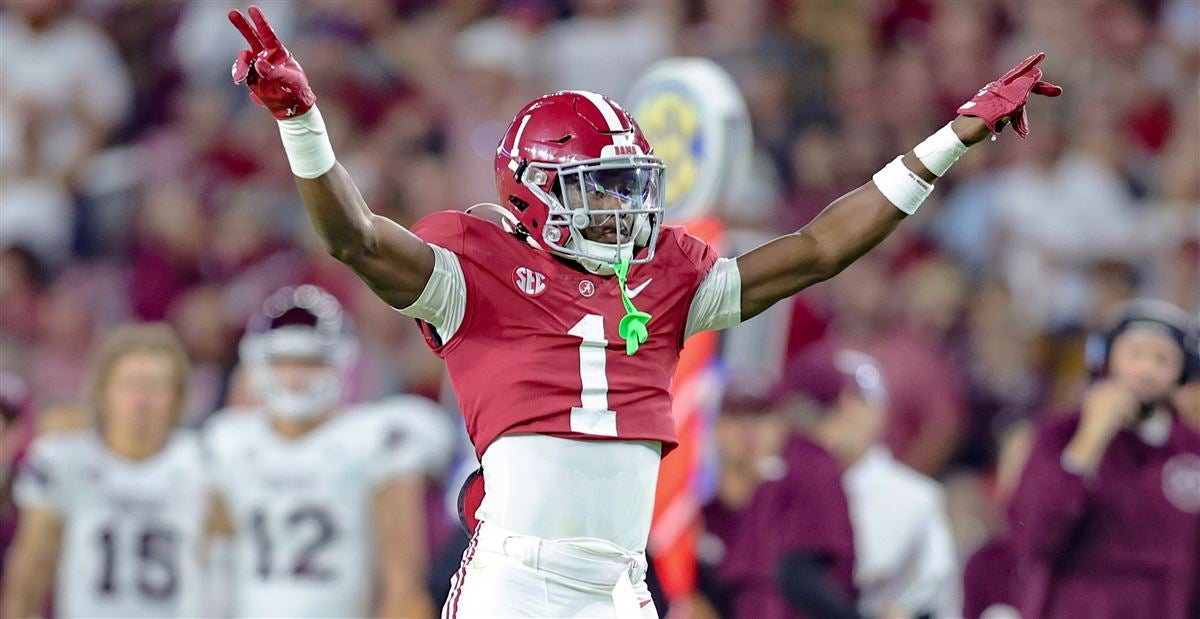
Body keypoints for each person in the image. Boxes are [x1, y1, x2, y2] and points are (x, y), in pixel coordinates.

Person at [225, 6, 1060, 615]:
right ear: (533, 191)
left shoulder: (663, 276)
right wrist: (303, 122)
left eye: (630, 186)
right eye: (602, 189)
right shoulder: (472, 269)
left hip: (622, 580)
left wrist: (946, 141)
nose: (625, 210)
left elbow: (816, 250)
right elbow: (358, 240)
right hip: (515, 580)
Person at [203, 285, 453, 618]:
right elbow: (211, 569)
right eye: (282, 361)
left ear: (341, 361)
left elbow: (403, 582)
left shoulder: (374, 438)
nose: (295, 378)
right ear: (255, 365)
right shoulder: (230, 441)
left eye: (310, 362)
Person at [1008, 299, 1200, 619]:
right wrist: (1089, 442)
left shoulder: (1191, 450)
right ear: (1106, 358)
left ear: (1182, 372)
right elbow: (1031, 536)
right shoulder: (1059, 434)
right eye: (1135, 354)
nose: (1146, 370)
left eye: (1162, 358)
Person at [2, 324, 209, 619]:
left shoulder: (205, 461)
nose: (142, 400)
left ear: (177, 397)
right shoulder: (65, 460)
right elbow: (30, 572)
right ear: (103, 391)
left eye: (155, 386)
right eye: (130, 385)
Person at [800, 349, 960, 618]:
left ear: (880, 415)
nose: (845, 414)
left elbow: (940, 597)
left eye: (857, 401)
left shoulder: (916, 499)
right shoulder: (780, 481)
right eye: (832, 403)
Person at [697, 383, 857, 619]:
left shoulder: (802, 497)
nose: (748, 430)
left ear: (780, 427)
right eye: (736, 416)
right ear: (716, 427)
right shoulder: (702, 516)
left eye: (760, 416)